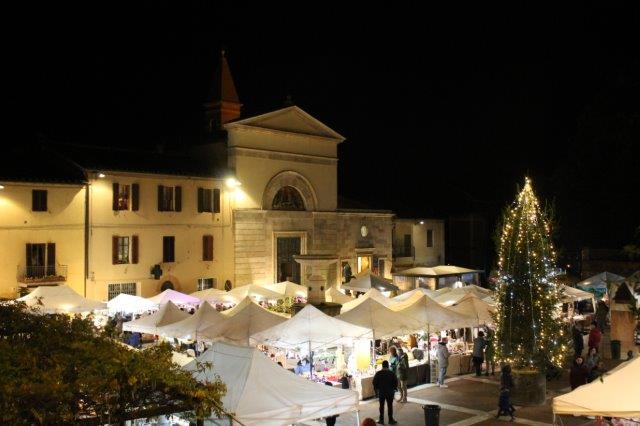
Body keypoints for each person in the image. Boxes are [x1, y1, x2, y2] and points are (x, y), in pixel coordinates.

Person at [372, 360, 398, 425]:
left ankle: (381, 420)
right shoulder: (391, 373)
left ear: (382, 366)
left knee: (381, 406)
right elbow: (395, 382)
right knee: (390, 406)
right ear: (388, 366)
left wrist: (377, 389)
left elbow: (374, 382)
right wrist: (394, 388)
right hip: (390, 392)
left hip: (381, 392)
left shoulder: (378, 373)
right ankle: (390, 420)